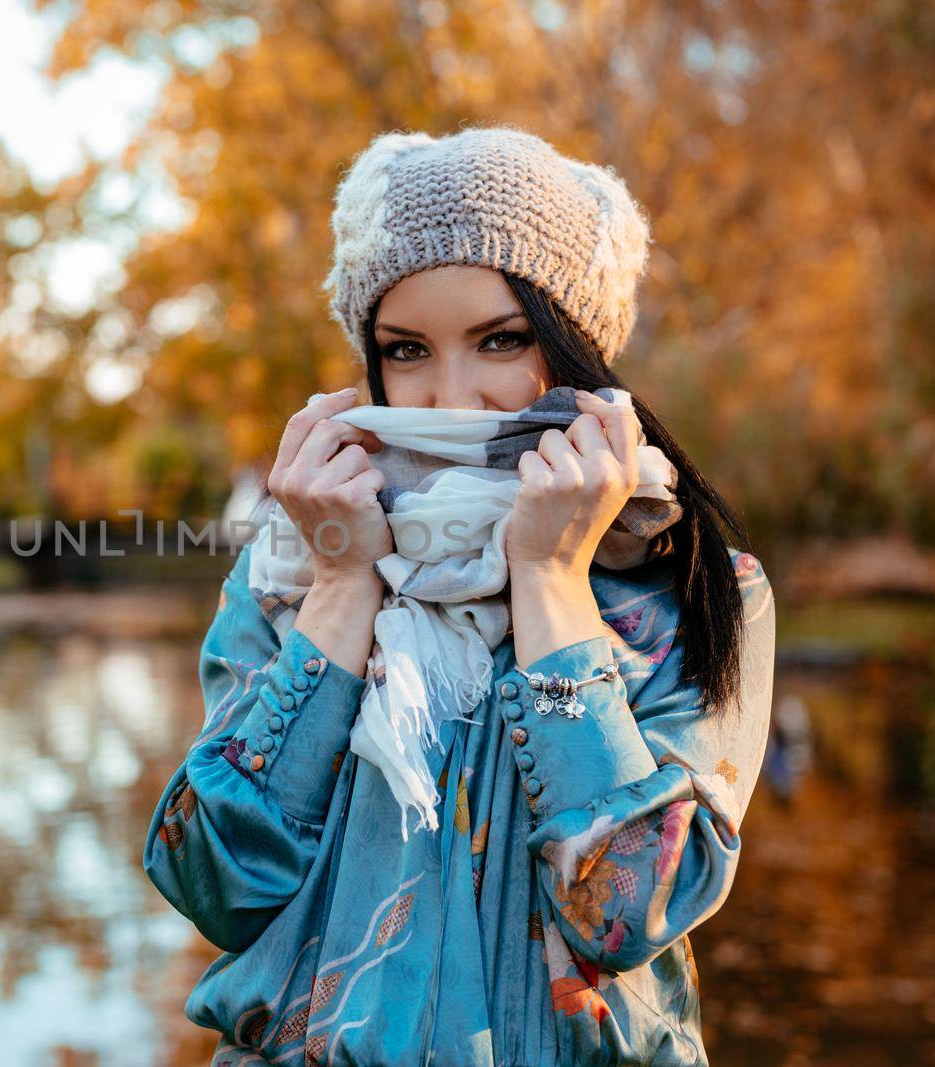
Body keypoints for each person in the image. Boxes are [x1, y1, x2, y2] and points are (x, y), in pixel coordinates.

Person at [143, 125, 777, 1066]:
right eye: (406, 350)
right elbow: (216, 880)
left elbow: (628, 910)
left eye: (501, 340)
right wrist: (343, 585)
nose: (448, 399)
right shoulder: (293, 567)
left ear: (576, 349)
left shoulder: (703, 591)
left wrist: (553, 582)